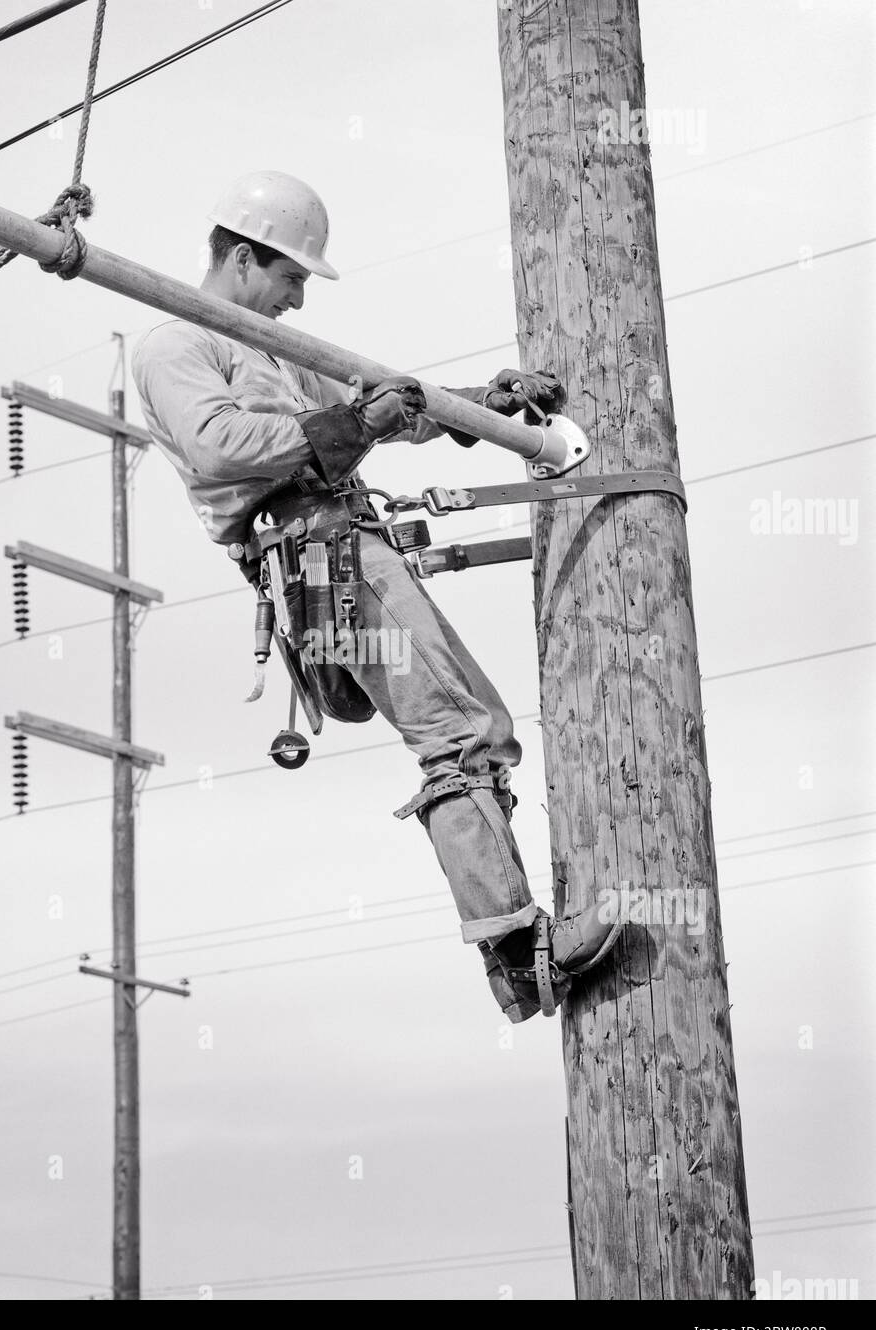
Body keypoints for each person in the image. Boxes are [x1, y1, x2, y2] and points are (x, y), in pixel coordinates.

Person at [132, 171, 625, 1022]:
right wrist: (358, 426)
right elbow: (216, 448)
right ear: (246, 257)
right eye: (290, 276)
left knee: (469, 729)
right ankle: (516, 951)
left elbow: (381, 410)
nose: (295, 297)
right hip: (318, 555)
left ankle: (516, 947)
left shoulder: (273, 351)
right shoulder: (177, 346)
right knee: (463, 732)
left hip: (342, 545)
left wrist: (475, 405)